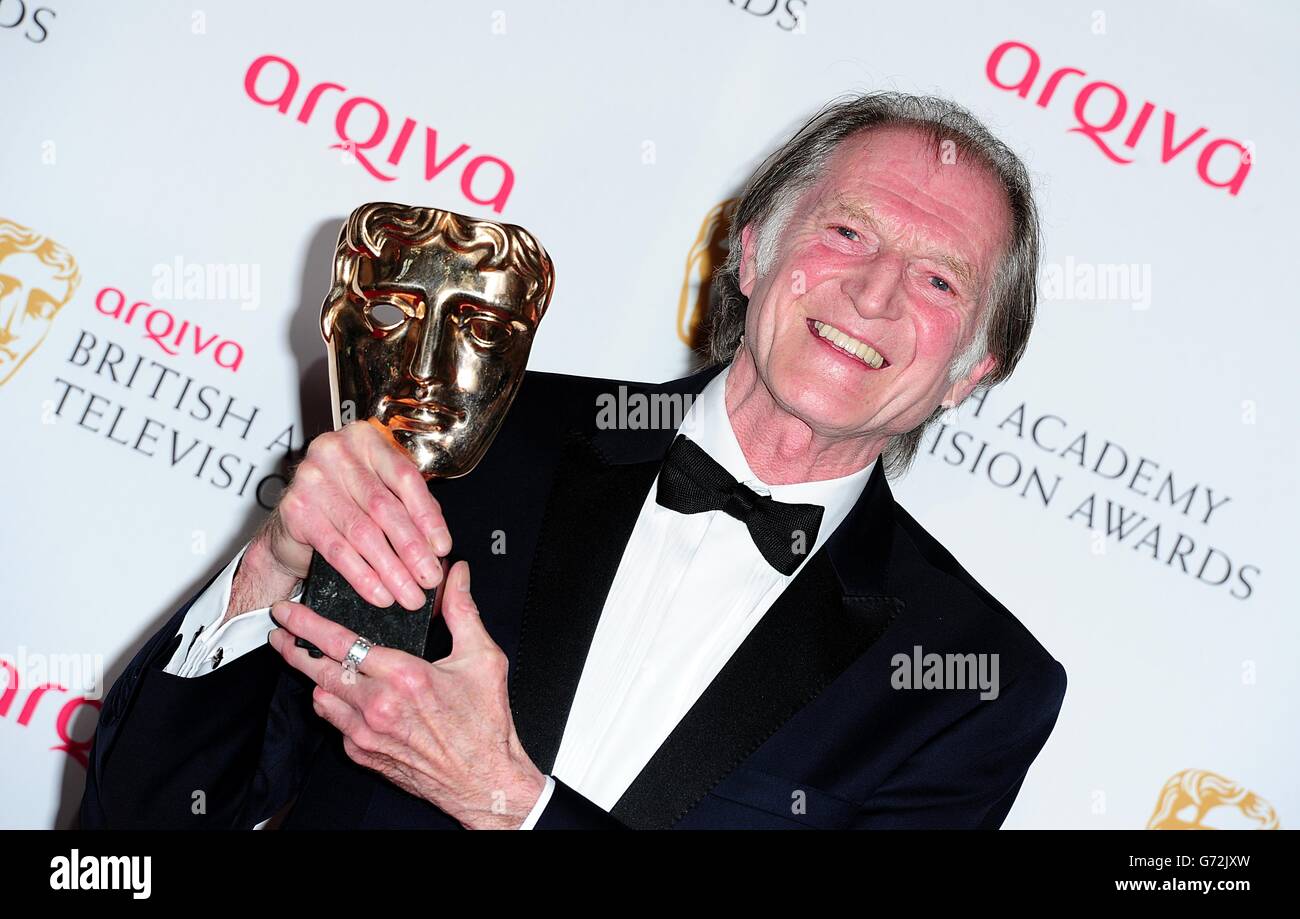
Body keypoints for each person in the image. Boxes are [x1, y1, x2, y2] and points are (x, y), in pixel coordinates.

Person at [81, 91, 1066, 830]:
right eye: (847, 231)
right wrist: (272, 571)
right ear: (755, 252)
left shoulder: (975, 685)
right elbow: (150, 815)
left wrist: (519, 808)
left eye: (938, 278)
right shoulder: (468, 439)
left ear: (972, 366)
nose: (874, 294)